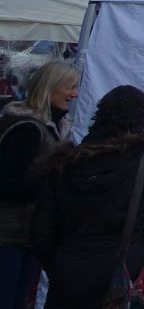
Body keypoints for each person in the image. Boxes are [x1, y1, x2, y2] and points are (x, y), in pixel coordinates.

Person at [30, 84, 144, 308]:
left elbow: (42, 227)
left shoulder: (66, 161)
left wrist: (56, 265)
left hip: (69, 268)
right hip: (120, 271)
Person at [0, 60, 76, 309]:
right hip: (8, 236)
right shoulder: (29, 130)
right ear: (49, 88)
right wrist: (53, 182)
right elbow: (7, 184)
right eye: (69, 87)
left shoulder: (54, 130)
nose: (74, 94)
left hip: (26, 237)